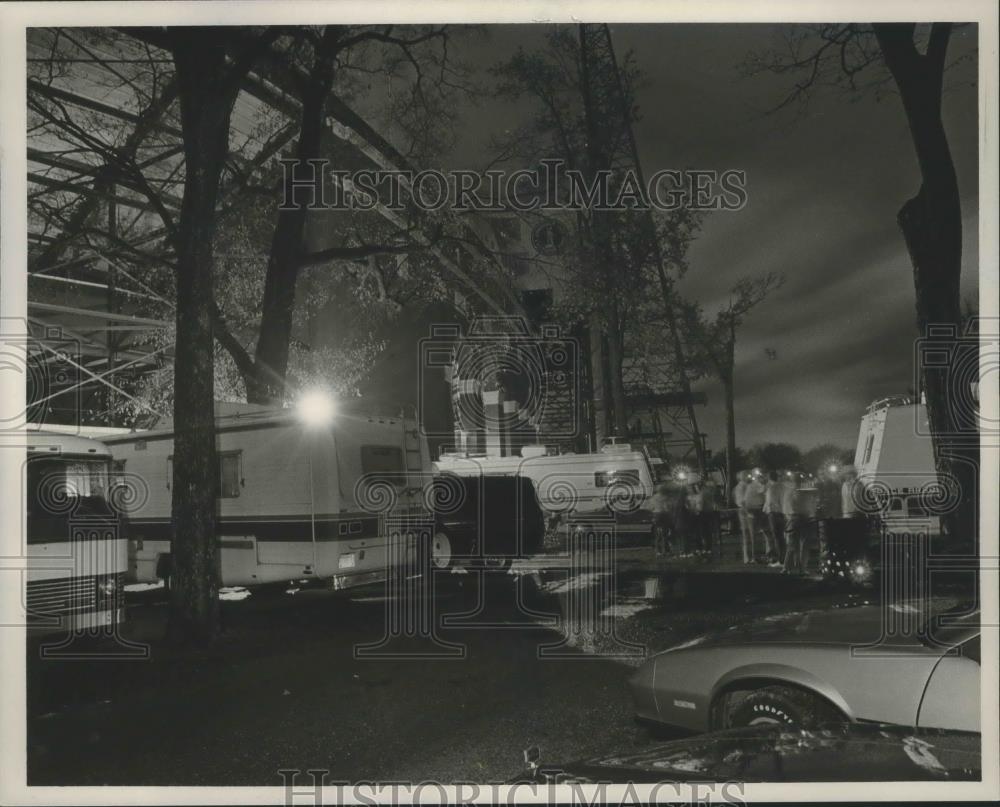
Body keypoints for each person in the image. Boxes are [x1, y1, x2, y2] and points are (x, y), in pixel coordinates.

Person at [763, 471, 786, 564]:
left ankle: (781, 559)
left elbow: (770, 503)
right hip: (783, 513)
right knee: (782, 537)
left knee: (777, 537)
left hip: (774, 513)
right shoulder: (783, 487)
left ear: (769, 478)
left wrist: (766, 511)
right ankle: (785, 558)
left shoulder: (771, 489)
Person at [744, 471, 767, 561]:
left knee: (754, 535)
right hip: (756, 511)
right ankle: (756, 556)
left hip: (754, 511)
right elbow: (763, 491)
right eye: (761, 477)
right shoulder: (756, 485)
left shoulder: (750, 486)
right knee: (758, 534)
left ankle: (754, 556)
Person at [732, 471, 752, 563]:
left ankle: (747, 556)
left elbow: (737, 500)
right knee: (749, 533)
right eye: (746, 476)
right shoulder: (746, 487)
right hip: (746, 510)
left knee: (746, 534)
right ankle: (749, 556)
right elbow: (743, 501)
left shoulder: (737, 488)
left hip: (742, 510)